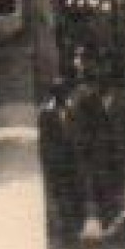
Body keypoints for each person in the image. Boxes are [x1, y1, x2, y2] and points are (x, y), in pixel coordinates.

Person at [38, 77, 84, 239]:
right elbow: (45, 141)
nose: (62, 96)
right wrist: (49, 161)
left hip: (73, 160)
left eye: (63, 93)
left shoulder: (73, 111)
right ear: (54, 95)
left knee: (75, 191)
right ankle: (67, 228)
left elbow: (79, 134)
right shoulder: (46, 114)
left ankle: (76, 225)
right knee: (61, 194)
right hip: (58, 162)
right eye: (58, 93)